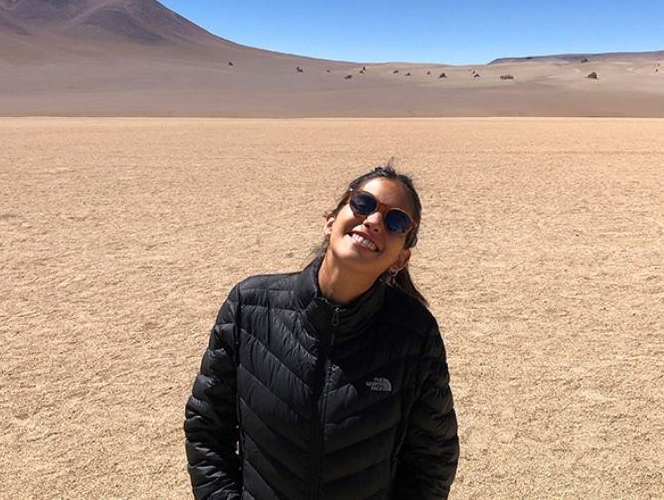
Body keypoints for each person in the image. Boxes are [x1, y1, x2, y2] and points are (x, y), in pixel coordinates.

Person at [184, 165, 459, 499]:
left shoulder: (414, 334)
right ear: (330, 221)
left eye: (396, 222)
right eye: (363, 204)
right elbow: (207, 427)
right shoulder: (249, 307)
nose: (374, 221)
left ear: (401, 258)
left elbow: (433, 460)